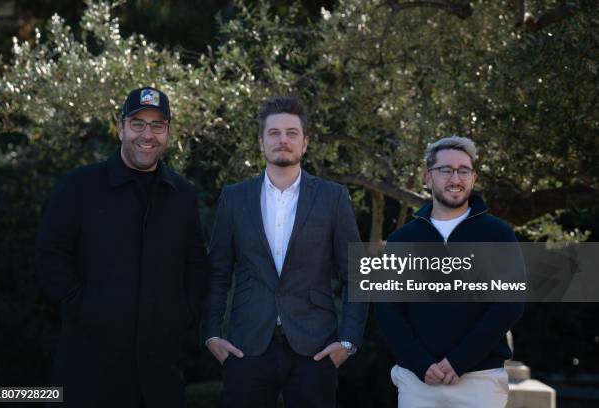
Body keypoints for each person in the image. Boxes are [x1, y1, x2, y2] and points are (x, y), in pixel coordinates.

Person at [35, 86, 209, 408]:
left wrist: (182, 314)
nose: (148, 134)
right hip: (89, 370)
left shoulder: (183, 195)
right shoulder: (79, 186)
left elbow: (197, 263)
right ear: (121, 128)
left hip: (160, 376)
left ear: (168, 132)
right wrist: (84, 307)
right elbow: (50, 256)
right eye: (138, 123)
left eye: (157, 125)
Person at [202, 95, 368, 408]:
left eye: (292, 133)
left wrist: (349, 341)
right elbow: (218, 271)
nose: (283, 140)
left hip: (315, 347)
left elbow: (356, 274)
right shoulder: (234, 198)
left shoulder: (333, 198)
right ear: (261, 142)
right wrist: (211, 334)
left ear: (305, 143)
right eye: (274, 133)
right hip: (246, 344)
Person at [376, 136, 524, 408]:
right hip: (417, 381)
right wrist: (422, 364)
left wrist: (459, 361)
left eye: (463, 170)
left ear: (473, 177)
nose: (455, 178)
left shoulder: (498, 234)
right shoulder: (402, 240)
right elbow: (387, 309)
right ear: (427, 178)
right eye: (445, 170)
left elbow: (510, 304)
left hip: (480, 380)